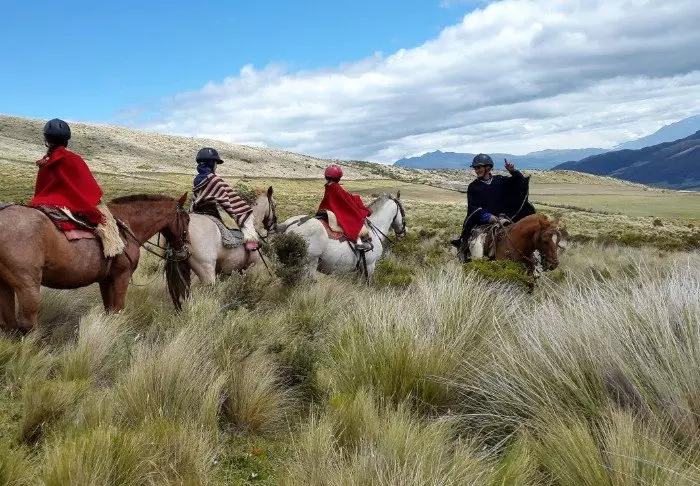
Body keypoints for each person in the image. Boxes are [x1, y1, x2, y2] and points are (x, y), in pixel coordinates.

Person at [451, 153, 535, 258]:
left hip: (504, 218)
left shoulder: (499, 180)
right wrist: (488, 217)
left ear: (488, 167)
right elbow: (473, 208)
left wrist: (513, 171)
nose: (476, 170)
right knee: (476, 245)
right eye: (475, 168)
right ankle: (469, 260)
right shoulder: (473, 187)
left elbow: (519, 183)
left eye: (479, 167)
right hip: (482, 223)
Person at [191, 147, 260, 250]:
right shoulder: (213, 179)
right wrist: (241, 208)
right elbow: (229, 197)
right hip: (212, 211)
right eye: (215, 163)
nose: (216, 166)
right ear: (211, 163)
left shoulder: (196, 179)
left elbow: (197, 197)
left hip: (198, 211)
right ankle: (250, 241)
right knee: (245, 212)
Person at [318, 164, 373, 250]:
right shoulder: (336, 187)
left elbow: (342, 197)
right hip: (336, 209)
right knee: (355, 220)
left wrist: (351, 197)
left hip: (327, 208)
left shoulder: (328, 186)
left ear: (326, 176)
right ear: (339, 177)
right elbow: (346, 200)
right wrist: (356, 199)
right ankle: (359, 241)